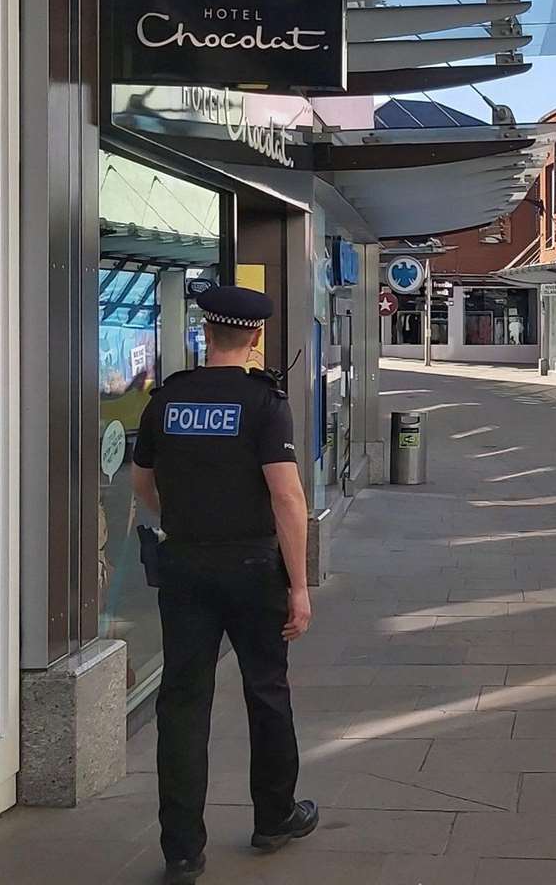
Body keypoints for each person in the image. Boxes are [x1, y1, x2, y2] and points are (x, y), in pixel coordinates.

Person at [130, 286, 318, 885]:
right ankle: (274, 817)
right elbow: (287, 496)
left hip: (184, 567)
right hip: (252, 568)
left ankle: (182, 850)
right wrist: (299, 584)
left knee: (183, 703)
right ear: (255, 338)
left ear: (205, 333)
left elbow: (143, 484)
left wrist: (182, 519)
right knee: (266, 689)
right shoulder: (265, 403)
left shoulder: (168, 399)